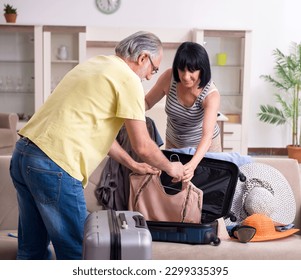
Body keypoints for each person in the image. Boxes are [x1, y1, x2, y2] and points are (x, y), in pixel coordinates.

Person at [9, 31, 184, 260]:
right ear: (142, 58)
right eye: (154, 69)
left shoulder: (94, 65)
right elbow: (142, 144)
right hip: (54, 165)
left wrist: (132, 164)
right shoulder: (128, 79)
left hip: (24, 155)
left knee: (31, 250)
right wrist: (172, 168)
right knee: (79, 253)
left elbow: (100, 133)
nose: (151, 76)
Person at [145, 41, 221, 182]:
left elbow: (207, 136)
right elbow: (147, 102)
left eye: (192, 70)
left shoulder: (210, 95)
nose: (186, 76)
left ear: (202, 70)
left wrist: (192, 165)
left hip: (203, 147)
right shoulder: (169, 78)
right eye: (181, 69)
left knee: (206, 186)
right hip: (174, 141)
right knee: (172, 186)